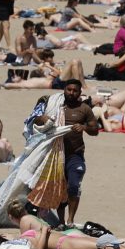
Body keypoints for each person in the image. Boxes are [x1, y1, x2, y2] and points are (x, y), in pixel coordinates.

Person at [32, 79, 98, 223]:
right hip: (54, 155)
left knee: (73, 185)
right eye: (69, 89)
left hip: (75, 155)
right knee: (59, 188)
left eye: (75, 91)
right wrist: (42, 118)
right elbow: (33, 121)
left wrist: (84, 127)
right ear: (64, 90)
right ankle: (61, 222)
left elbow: (95, 130)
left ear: (80, 92)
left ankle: (70, 220)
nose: (71, 93)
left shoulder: (84, 109)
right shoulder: (54, 105)